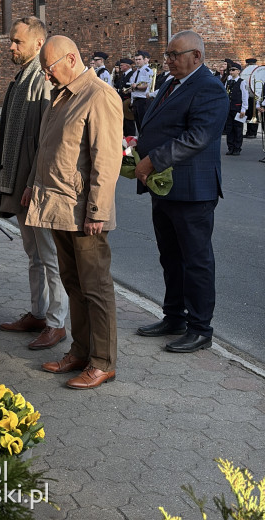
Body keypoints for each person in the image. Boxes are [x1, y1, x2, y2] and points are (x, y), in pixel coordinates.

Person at [26, 35, 124, 389]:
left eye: (49, 68)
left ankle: (103, 362)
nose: (46, 76)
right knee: (73, 283)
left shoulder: (99, 95)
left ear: (70, 59)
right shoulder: (61, 96)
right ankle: (81, 351)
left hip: (84, 213)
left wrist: (97, 211)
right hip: (58, 207)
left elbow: (106, 160)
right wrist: (32, 185)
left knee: (96, 288)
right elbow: (47, 149)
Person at [134, 30, 229, 353]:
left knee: (196, 261)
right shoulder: (171, 82)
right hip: (164, 188)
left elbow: (197, 137)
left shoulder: (209, 88)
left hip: (192, 190)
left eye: (175, 55)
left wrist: (152, 160)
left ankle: (200, 328)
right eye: (167, 55)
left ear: (196, 56)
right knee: (171, 257)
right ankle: (174, 317)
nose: (168, 61)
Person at [0, 17, 68, 350]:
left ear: (38, 44)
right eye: (11, 40)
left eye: (17, 41)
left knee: (50, 256)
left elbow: (47, 142)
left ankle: (57, 323)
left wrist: (34, 183)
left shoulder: (44, 79)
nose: (11, 46)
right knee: (34, 254)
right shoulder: (23, 76)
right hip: (20, 182)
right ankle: (38, 313)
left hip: (37, 187)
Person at [225, 62, 248, 156]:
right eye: (230, 70)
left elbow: (244, 96)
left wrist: (244, 109)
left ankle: (237, 148)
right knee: (229, 129)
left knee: (238, 129)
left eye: (233, 70)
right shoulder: (228, 82)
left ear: (238, 71)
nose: (231, 72)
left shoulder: (242, 82)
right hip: (229, 108)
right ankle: (230, 147)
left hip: (238, 108)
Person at [130, 50, 153, 131]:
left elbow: (147, 86)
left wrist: (136, 86)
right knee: (138, 124)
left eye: (139, 59)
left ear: (144, 60)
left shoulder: (147, 71)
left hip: (143, 100)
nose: (137, 61)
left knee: (143, 124)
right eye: (136, 59)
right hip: (136, 100)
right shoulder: (135, 73)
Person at [113, 57, 135, 137]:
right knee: (124, 121)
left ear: (127, 66)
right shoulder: (124, 75)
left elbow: (131, 87)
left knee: (129, 121)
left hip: (128, 100)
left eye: (122, 65)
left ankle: (131, 137)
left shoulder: (132, 74)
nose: (120, 67)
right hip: (122, 100)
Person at [244, 58, 259, 139]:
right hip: (250, 95)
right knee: (249, 114)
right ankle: (249, 132)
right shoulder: (249, 71)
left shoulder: (255, 71)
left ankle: (253, 132)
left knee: (253, 114)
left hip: (254, 95)